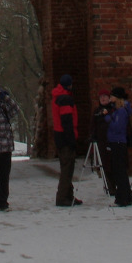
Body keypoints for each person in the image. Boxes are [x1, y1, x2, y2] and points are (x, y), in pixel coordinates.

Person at [51, 74, 83, 207]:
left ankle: (68, 195)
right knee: (67, 168)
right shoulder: (65, 99)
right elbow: (67, 122)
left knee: (66, 167)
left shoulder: (57, 96)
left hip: (59, 136)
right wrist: (72, 141)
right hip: (65, 137)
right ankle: (63, 197)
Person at [103, 86, 132, 206]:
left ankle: (122, 198)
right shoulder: (116, 110)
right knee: (120, 171)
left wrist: (108, 118)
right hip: (116, 141)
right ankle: (126, 196)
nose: (110, 98)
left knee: (119, 171)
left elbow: (118, 127)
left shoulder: (121, 111)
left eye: (112, 96)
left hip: (118, 142)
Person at [90, 92, 114, 193]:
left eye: (105, 97)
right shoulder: (97, 111)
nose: (103, 99)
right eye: (101, 97)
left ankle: (117, 185)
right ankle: (109, 186)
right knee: (105, 164)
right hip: (101, 142)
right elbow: (93, 125)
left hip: (112, 141)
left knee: (114, 163)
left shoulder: (113, 110)